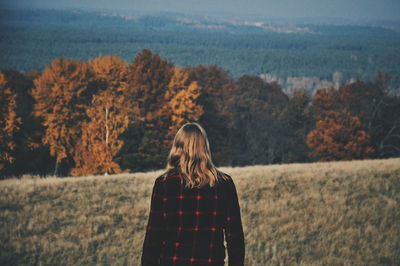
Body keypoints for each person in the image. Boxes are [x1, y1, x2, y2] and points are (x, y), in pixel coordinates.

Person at [141, 122, 245, 266]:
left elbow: (153, 237)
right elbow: (235, 239)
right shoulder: (224, 184)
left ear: (177, 147)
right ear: (205, 147)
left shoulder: (164, 183)